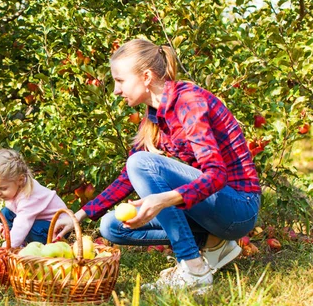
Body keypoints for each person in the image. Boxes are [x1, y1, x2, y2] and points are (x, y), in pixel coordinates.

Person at [54, 38, 261, 291]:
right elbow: (127, 178)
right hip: (215, 209)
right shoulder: (153, 118)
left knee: (141, 162)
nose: (116, 91)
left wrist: (163, 199)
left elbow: (216, 175)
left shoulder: (189, 103)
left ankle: (193, 268)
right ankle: (214, 244)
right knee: (111, 227)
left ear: (147, 76)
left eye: (120, 81)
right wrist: (80, 215)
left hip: (239, 207)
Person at [0, 148, 69, 248]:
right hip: (37, 220)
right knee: (6, 212)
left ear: (20, 180)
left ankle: (28, 246)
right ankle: (19, 243)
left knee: (29, 229)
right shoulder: (16, 186)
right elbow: (13, 210)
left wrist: (6, 248)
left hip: (56, 228)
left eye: (2, 188)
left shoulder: (29, 197)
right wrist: (4, 226)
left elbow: (21, 225)